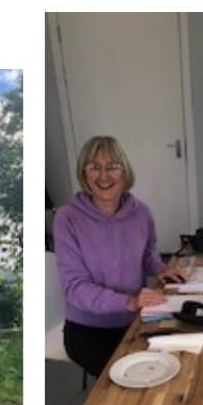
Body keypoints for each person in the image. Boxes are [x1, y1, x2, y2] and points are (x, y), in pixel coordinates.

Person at [53, 135, 185, 378]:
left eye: (113, 167)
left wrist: (160, 269)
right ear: (84, 174)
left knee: (178, 363)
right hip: (88, 331)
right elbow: (74, 288)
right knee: (138, 384)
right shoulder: (67, 218)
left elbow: (147, 254)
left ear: (125, 172)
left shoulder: (141, 212)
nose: (104, 176)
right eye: (95, 167)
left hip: (136, 321)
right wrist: (128, 301)